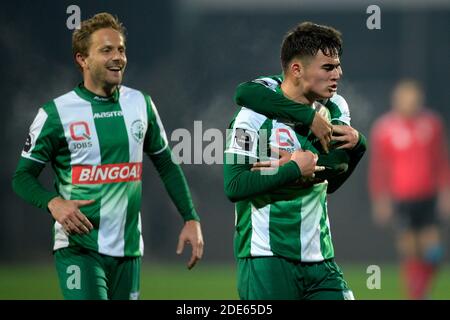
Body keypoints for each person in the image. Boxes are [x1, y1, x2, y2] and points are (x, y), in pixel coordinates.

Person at [12, 12, 204, 300]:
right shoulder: (55, 114)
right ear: (82, 60)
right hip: (79, 248)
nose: (118, 57)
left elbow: (166, 163)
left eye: (121, 49)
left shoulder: (141, 104)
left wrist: (190, 218)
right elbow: (22, 177)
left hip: (128, 249)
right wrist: (53, 203)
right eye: (107, 50)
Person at [223, 22, 366, 300]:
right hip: (266, 257)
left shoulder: (335, 106)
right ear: (297, 70)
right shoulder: (251, 117)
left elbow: (336, 167)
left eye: (338, 66)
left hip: (320, 256)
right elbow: (235, 184)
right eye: (328, 67)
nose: (338, 74)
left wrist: (359, 146)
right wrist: (292, 169)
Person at [369, 79, 450, 299]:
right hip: (401, 198)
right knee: (410, 250)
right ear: (396, 100)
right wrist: (381, 199)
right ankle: (417, 294)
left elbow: (441, 161)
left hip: (428, 196)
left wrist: (446, 192)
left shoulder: (432, 124)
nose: (409, 103)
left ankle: (420, 291)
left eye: (413, 98)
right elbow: (379, 168)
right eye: (405, 98)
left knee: (433, 251)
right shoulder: (384, 129)